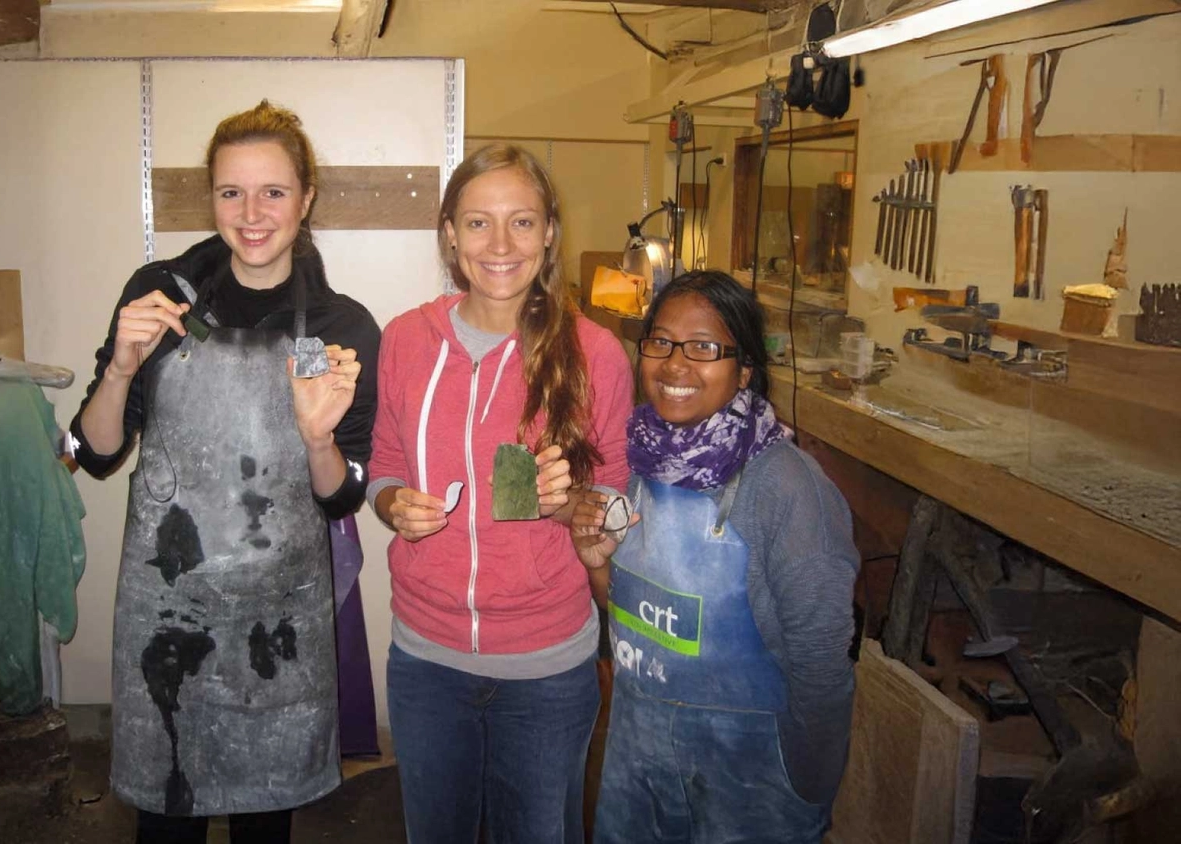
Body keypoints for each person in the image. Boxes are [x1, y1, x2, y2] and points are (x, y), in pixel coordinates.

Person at [69, 100, 380, 844]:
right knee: (165, 819)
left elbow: (343, 497)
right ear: (211, 198)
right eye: (230, 192)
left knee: (264, 821)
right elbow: (96, 450)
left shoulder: (331, 328)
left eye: (273, 191)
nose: (251, 213)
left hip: (278, 623)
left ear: (305, 199)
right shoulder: (164, 298)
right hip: (167, 609)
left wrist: (316, 438)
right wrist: (119, 368)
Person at [367, 143, 633, 843]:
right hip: (426, 659)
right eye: (478, 223)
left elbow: (619, 505)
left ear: (549, 232)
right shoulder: (405, 340)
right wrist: (394, 505)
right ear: (450, 233)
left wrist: (572, 504)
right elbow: (386, 464)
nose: (500, 244)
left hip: (547, 665)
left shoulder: (596, 352)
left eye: (522, 221)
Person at [572, 269, 858, 844]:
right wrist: (596, 563)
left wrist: (803, 787)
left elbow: (823, 668)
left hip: (749, 787)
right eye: (660, 342)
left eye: (704, 348)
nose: (675, 365)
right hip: (638, 772)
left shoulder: (785, 489)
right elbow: (634, 619)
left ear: (744, 370)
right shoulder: (638, 462)